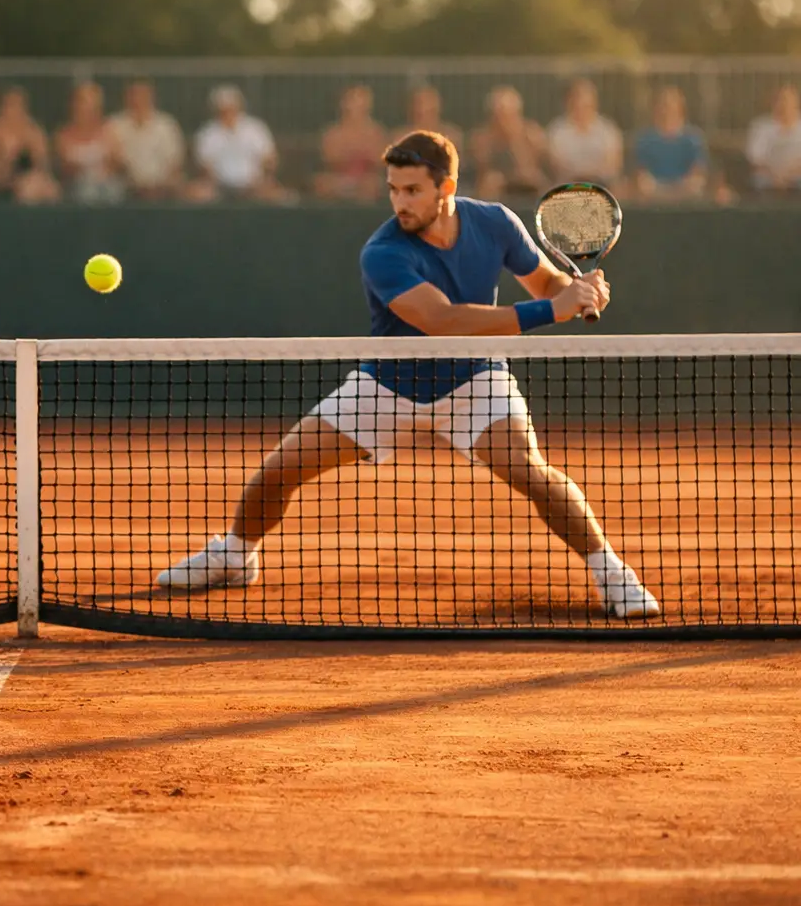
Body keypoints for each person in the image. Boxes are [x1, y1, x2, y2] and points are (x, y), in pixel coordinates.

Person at [156, 130, 659, 621]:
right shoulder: (383, 251)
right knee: (277, 472)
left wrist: (576, 290)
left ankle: (613, 574)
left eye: (413, 190)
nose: (400, 201)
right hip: (388, 387)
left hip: (475, 382)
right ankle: (234, 556)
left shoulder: (496, 223)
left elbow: (546, 282)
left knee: (530, 472)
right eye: (394, 189)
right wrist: (554, 310)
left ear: (447, 188)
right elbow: (443, 322)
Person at [188, 85, 286, 203]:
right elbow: (205, 168)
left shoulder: (256, 128)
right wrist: (217, 184)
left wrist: (265, 180)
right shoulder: (207, 133)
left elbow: (270, 160)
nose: (228, 112)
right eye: (223, 109)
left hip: (255, 186)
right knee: (196, 194)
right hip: (219, 188)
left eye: (231, 108)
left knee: (281, 196)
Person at [0, 86, 59, 204]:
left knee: (50, 190)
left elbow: (43, 163)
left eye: (20, 105)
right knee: (27, 190)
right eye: (11, 105)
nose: (16, 110)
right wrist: (6, 160)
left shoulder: (33, 131)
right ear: (1, 107)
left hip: (31, 180)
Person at [108, 79, 185, 201]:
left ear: (151, 97)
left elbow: (175, 163)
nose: (138, 100)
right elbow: (113, 160)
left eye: (142, 95)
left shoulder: (166, 125)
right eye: (134, 95)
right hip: (126, 188)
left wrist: (159, 185)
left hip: (162, 188)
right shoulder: (115, 125)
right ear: (127, 97)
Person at [470, 86, 549, 199]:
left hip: (522, 180)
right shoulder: (482, 138)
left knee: (535, 180)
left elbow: (528, 168)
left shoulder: (531, 133)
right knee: (490, 182)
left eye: (508, 115)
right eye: (499, 115)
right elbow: (482, 171)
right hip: (498, 183)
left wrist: (515, 139)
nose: (503, 121)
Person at [633, 86, 709, 201]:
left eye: (671, 105)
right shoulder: (645, 139)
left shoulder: (693, 138)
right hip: (655, 191)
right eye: (663, 105)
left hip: (685, 189)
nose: (667, 109)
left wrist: (681, 187)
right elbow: (641, 173)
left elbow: (698, 171)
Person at [314, 84, 387, 202]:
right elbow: (329, 159)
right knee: (322, 184)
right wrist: (351, 154)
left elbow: (380, 161)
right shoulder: (332, 132)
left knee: (373, 185)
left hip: (366, 179)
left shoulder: (376, 132)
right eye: (352, 101)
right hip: (339, 179)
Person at [546, 78, 623, 186]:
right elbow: (556, 165)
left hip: (603, 185)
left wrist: (592, 175)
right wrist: (580, 176)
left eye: (586, 105)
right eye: (577, 102)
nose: (581, 108)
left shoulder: (607, 129)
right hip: (568, 185)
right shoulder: (557, 130)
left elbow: (613, 163)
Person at [55, 82, 121, 204]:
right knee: (87, 192)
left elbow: (117, 162)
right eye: (83, 104)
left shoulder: (108, 132)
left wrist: (105, 171)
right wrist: (82, 170)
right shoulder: (64, 135)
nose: (87, 110)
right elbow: (63, 167)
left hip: (105, 183)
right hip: (76, 186)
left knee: (113, 190)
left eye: (92, 106)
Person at [745, 83, 801, 195]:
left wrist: (788, 175)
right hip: (767, 176)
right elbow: (755, 159)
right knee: (759, 182)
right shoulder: (760, 127)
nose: (784, 104)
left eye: (787, 100)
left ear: (796, 102)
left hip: (797, 175)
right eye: (780, 100)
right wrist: (775, 176)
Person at [404, 85, 465, 158]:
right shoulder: (400, 139)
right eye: (419, 103)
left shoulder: (453, 137)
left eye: (428, 102)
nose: (422, 107)